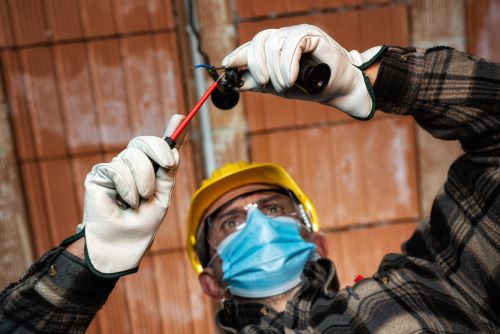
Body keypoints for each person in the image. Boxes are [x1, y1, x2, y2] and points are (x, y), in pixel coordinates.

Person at [0, 24, 499, 333]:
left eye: (276, 208)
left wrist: (370, 78)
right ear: (210, 281)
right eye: (230, 222)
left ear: (317, 240)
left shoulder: (438, 283)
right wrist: (87, 262)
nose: (258, 221)